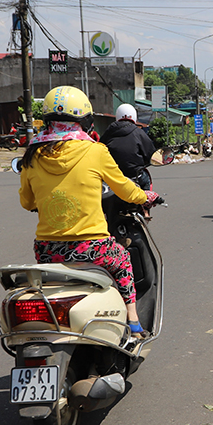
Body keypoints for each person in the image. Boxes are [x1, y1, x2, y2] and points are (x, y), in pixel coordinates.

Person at [17, 86, 158, 337]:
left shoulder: (32, 154)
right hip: (92, 248)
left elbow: (27, 203)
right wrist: (145, 196)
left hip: (48, 251)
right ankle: (134, 323)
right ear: (85, 121)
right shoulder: (95, 151)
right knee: (124, 262)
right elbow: (125, 189)